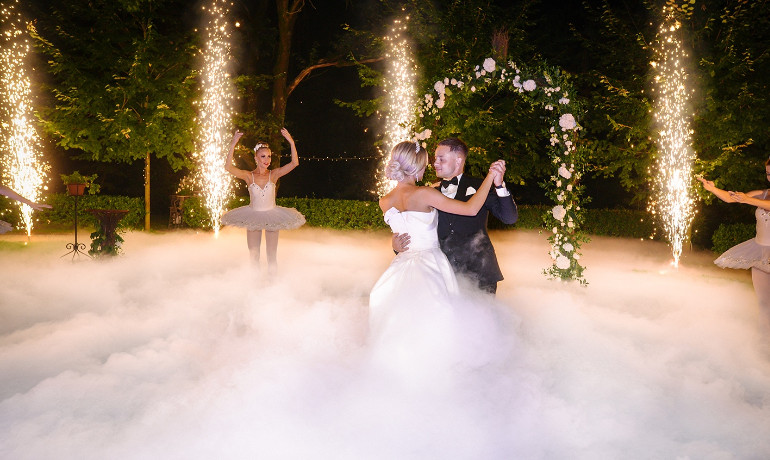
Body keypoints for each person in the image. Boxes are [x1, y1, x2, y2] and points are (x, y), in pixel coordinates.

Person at [369, 140, 507, 376]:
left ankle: (402, 371)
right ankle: (442, 371)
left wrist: (394, 243)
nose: (429, 167)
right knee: (440, 320)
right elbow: (471, 209)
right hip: (430, 263)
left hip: (402, 268)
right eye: (425, 163)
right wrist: (489, 178)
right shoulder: (425, 193)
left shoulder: (385, 200)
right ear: (415, 166)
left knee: (405, 322)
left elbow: (403, 232)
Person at [392, 137, 517, 294]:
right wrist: (396, 246)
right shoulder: (427, 193)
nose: (435, 163)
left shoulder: (481, 186)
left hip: (480, 273)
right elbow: (415, 233)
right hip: (442, 276)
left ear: (458, 160)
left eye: (441, 159)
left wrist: (499, 185)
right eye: (435, 159)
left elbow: (509, 218)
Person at [221, 129, 305, 274]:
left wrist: (291, 142)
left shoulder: (274, 174)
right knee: (254, 256)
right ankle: (255, 282)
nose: (267, 160)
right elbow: (228, 167)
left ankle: (272, 282)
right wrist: (233, 143)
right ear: (256, 158)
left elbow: (294, 163)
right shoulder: (249, 176)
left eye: (269, 156)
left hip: (272, 215)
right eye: (263, 156)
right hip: (253, 216)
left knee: (272, 256)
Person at [698, 164, 770, 322]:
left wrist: (748, 199)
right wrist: (713, 189)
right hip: (760, 253)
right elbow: (731, 198)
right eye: (768, 174)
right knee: (763, 304)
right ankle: (763, 335)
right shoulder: (762, 194)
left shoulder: (756, 199)